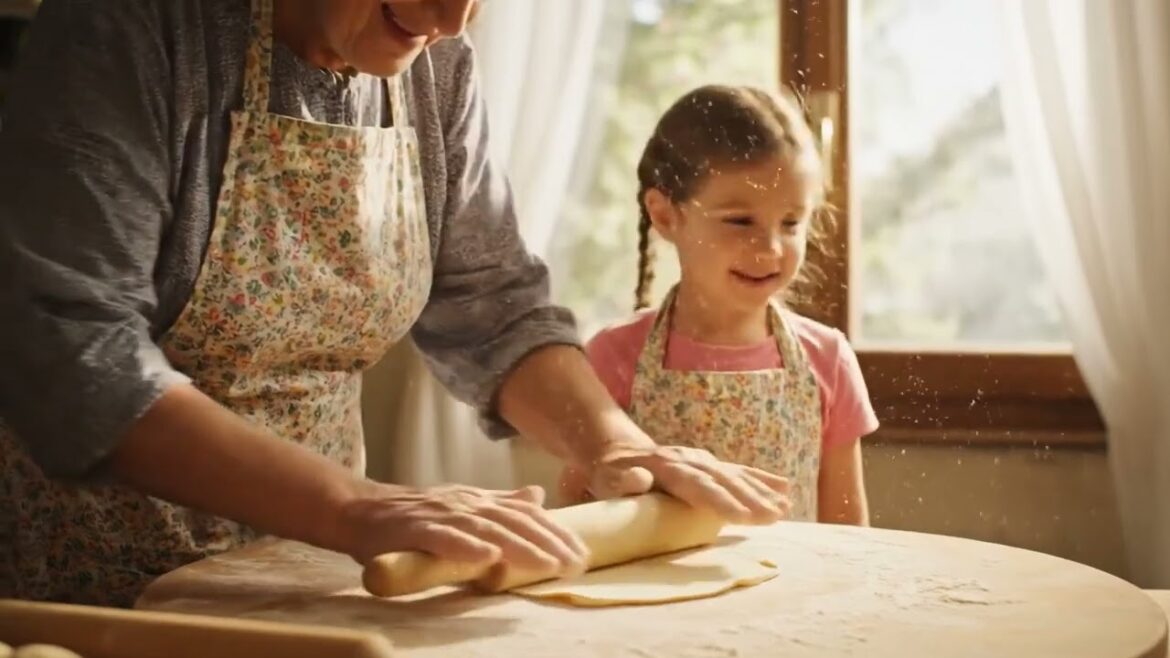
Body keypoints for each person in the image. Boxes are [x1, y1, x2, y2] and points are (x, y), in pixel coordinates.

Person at [0, 1, 790, 607]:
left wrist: (614, 445)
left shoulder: (436, 63)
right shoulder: (130, 28)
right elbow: (75, 355)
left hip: (314, 584)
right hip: (96, 597)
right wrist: (349, 506)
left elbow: (493, 303)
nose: (452, 19)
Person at [566, 85, 879, 524]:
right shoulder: (613, 358)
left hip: (793, 593)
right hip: (660, 595)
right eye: (739, 221)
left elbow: (850, 540)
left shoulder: (828, 361)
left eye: (791, 223)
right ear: (665, 215)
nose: (770, 248)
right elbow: (576, 521)